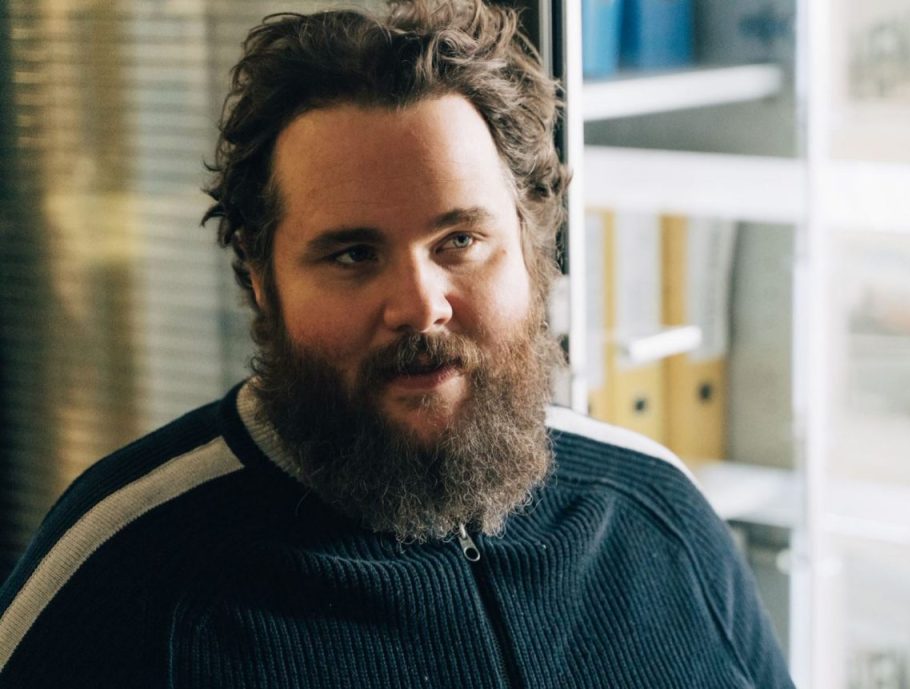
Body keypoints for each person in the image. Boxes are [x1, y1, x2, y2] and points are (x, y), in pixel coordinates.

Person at [0, 1, 795, 687]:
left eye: (460, 240)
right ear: (260, 277)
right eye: (353, 255)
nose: (420, 306)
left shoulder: (656, 510)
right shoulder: (127, 568)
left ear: (531, 245)